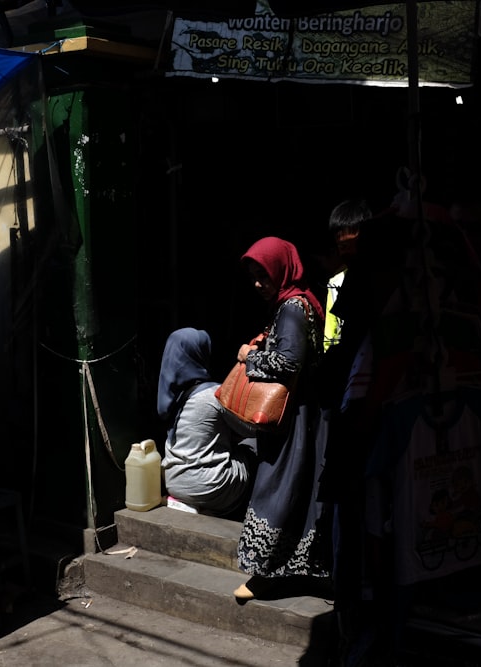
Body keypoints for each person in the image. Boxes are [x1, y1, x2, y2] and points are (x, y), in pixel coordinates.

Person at [230, 236, 331, 601]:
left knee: (279, 487)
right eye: (255, 276)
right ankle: (297, 570)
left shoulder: (291, 308)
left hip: (294, 418)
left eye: (265, 275)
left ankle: (265, 574)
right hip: (306, 414)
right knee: (301, 488)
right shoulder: (304, 301)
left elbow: (288, 362)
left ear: (282, 269)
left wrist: (248, 358)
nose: (259, 284)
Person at [157, 327, 258, 517]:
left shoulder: (169, 396)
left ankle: (192, 503)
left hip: (173, 483)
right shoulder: (214, 394)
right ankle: (244, 513)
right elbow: (250, 429)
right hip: (209, 486)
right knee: (253, 444)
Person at [324, 198, 373, 351]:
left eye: (354, 244)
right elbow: (330, 339)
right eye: (342, 246)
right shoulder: (336, 283)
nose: (348, 251)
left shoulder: (383, 277)